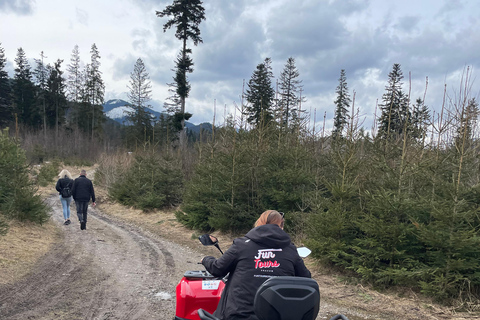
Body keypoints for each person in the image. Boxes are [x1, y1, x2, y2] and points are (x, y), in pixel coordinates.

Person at [201, 210, 311, 320]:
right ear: (281, 226)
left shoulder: (242, 245)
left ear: (259, 223)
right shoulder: (290, 249)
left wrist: (206, 259)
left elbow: (217, 268)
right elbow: (306, 279)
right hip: (276, 316)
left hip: (239, 315)